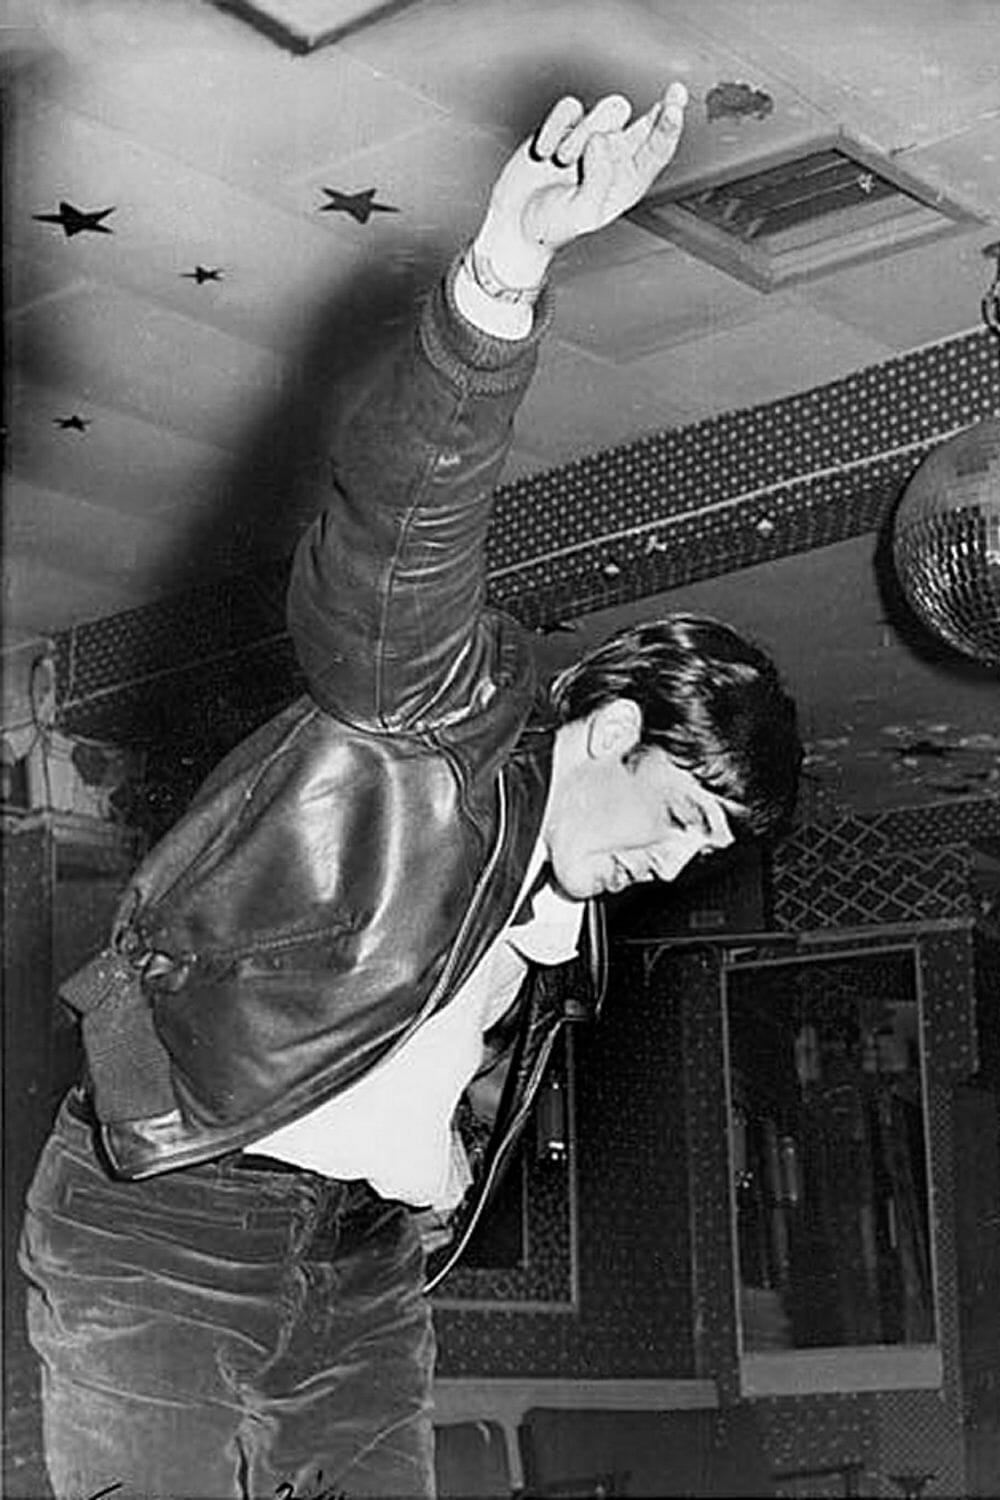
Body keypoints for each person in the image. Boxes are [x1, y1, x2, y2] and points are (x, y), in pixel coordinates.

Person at [19, 79, 801, 1500]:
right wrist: (507, 271)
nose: (680, 863)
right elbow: (398, 531)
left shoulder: (564, 927)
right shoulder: (432, 726)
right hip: (173, 1224)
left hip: (365, 1273)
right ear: (609, 729)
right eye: (685, 816)